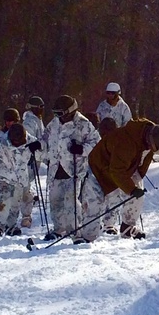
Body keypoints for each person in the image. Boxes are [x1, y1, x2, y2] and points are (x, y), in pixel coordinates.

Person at [77, 119, 159, 243]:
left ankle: (127, 227)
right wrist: (131, 190)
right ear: (150, 140)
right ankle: (86, 238)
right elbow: (116, 171)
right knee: (94, 205)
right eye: (156, 149)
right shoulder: (126, 143)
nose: (155, 152)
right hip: (98, 170)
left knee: (138, 195)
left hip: (124, 169)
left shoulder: (150, 134)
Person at [41, 95, 99, 240]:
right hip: (55, 169)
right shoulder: (54, 123)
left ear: (70, 111)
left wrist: (81, 149)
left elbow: (96, 143)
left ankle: (75, 231)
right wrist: (38, 145)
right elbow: (45, 138)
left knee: (71, 203)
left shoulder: (83, 124)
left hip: (73, 170)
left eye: (60, 113)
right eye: (55, 113)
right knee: (55, 201)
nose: (57, 116)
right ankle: (58, 229)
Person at [0, 122, 41, 237]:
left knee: (15, 202)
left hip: (20, 177)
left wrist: (38, 148)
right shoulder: (1, 141)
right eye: (16, 141)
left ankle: (11, 225)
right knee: (3, 201)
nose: (18, 143)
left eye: (20, 141)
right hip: (3, 176)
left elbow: (42, 152)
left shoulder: (30, 140)